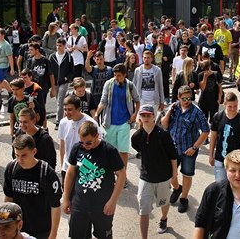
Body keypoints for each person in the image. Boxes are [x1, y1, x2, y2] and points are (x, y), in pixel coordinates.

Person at [62, 121, 126, 239]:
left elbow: (121, 175)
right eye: (82, 142)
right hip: (79, 204)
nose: (85, 145)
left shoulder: (109, 151)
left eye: (89, 143)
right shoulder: (77, 148)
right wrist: (66, 198)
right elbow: (70, 173)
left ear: (97, 136)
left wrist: (112, 201)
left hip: (102, 206)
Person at [131, 105, 178, 238]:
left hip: (163, 176)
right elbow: (138, 149)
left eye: (148, 115)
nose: (145, 118)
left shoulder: (163, 135)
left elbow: (173, 155)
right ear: (140, 117)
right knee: (143, 209)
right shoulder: (136, 136)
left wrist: (174, 174)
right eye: (143, 115)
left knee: (164, 202)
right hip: (145, 177)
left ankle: (163, 218)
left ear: (153, 116)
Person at [161, 85, 210, 213]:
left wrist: (194, 147)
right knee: (170, 174)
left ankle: (184, 198)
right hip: (173, 148)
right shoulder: (174, 108)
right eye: (184, 98)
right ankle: (177, 188)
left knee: (187, 174)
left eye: (189, 98)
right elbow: (164, 125)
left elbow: (205, 130)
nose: (187, 101)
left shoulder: (196, 111)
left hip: (188, 150)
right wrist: (168, 113)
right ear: (178, 97)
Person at [4, 135, 62, 239]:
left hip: (41, 230)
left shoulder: (46, 173)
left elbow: (55, 206)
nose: (19, 159)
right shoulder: (11, 168)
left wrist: (53, 234)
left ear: (34, 151)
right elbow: (8, 198)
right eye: (17, 155)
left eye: (24, 155)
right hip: (19, 228)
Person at [94, 63, 140, 175]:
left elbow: (137, 101)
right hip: (110, 122)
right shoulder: (108, 84)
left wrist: (134, 114)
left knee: (123, 151)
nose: (116, 77)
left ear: (124, 75)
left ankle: (122, 175)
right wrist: (96, 114)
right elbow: (103, 101)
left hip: (124, 122)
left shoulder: (130, 85)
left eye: (119, 75)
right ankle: (110, 175)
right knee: (110, 151)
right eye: (115, 75)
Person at [209, 93, 240, 181]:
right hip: (220, 158)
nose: (232, 109)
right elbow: (213, 136)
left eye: (235, 106)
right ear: (224, 104)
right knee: (220, 186)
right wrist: (211, 155)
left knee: (233, 186)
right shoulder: (218, 116)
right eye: (230, 106)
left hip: (234, 161)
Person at [57, 95, 100, 178]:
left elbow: (97, 145)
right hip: (67, 168)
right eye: (65, 109)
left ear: (78, 109)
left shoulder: (91, 123)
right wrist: (63, 166)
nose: (66, 113)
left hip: (85, 170)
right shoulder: (63, 123)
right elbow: (63, 146)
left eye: (70, 110)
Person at [49, 38, 74, 124]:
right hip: (55, 82)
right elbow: (50, 70)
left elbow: (72, 70)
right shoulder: (52, 57)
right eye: (57, 45)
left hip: (64, 82)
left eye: (60, 45)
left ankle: (58, 121)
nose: (58, 47)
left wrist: (67, 77)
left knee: (60, 101)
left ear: (64, 46)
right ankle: (64, 116)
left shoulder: (69, 57)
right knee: (59, 101)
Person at [133, 50, 165, 115]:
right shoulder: (138, 70)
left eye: (148, 58)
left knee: (152, 121)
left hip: (154, 100)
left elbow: (160, 86)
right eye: (145, 57)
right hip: (141, 100)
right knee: (141, 120)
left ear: (151, 59)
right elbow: (134, 85)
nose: (146, 59)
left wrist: (162, 101)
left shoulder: (157, 70)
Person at [197, 59, 222, 125]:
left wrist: (219, 98)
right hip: (204, 100)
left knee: (214, 119)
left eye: (207, 69)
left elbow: (220, 87)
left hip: (214, 100)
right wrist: (205, 77)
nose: (206, 71)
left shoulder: (216, 74)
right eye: (204, 69)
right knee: (203, 119)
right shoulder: (200, 75)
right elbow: (202, 88)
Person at [0, 28, 15, 93]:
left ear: (3, 35)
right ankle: (11, 91)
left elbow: (10, 57)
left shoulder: (6, 45)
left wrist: (12, 68)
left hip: (2, 65)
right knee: (1, 80)